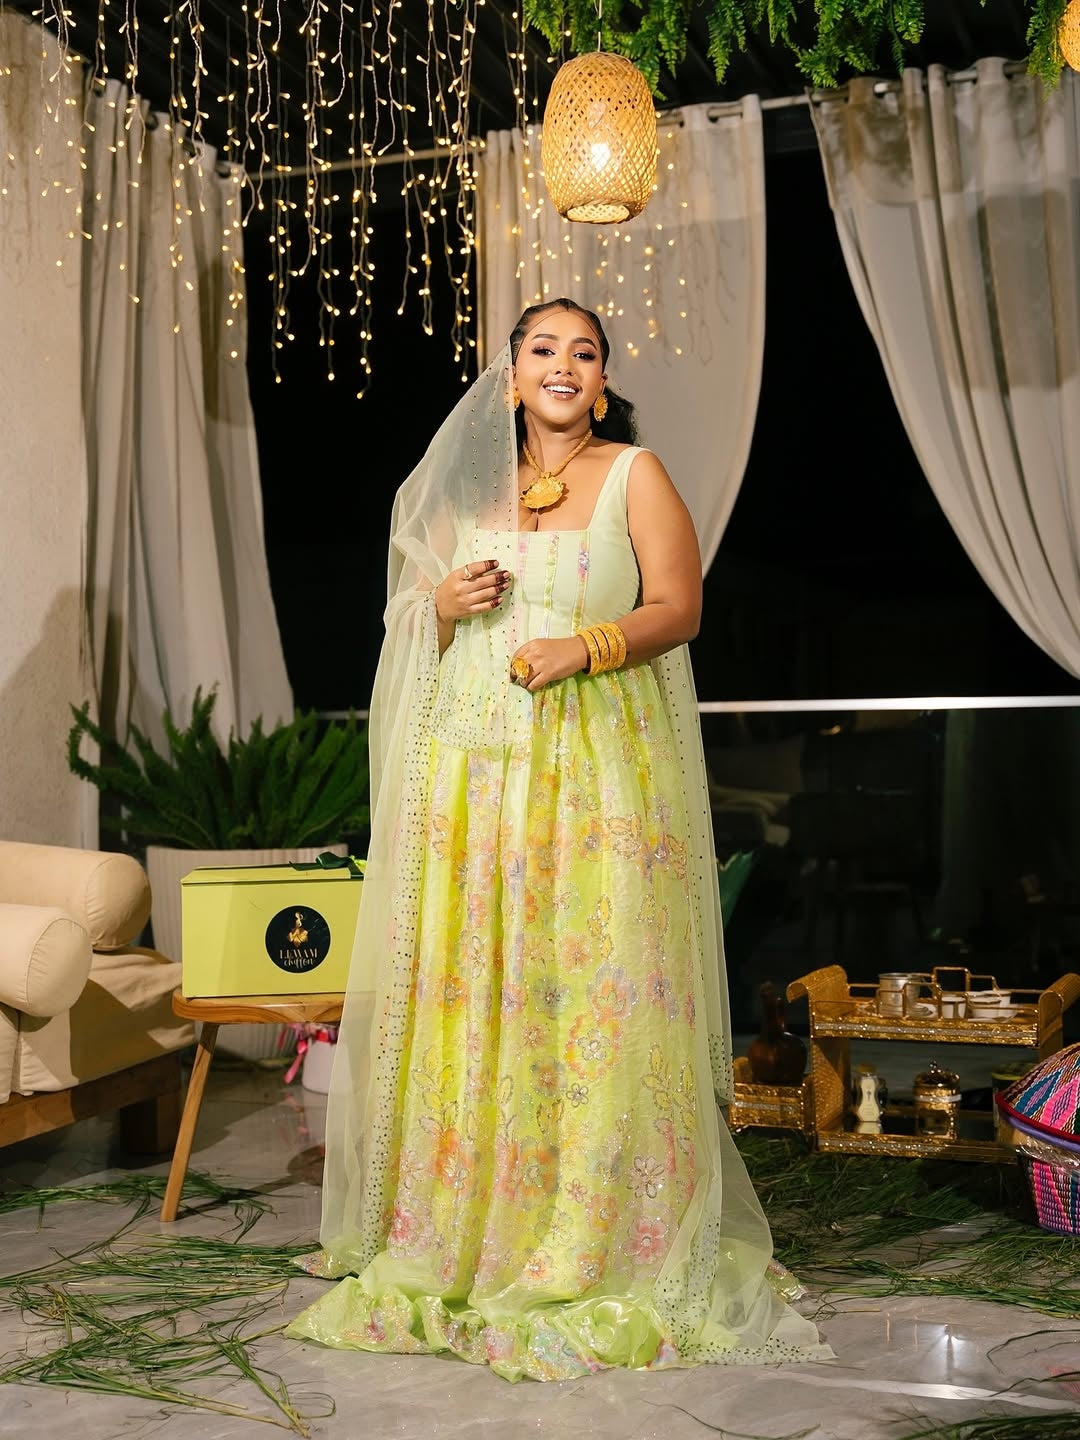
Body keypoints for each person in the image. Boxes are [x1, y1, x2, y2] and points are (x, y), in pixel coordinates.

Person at [286, 299, 828, 1380]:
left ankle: (599, 1231)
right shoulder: (466, 494)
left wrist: (585, 646)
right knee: (479, 992)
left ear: (604, 380)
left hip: (593, 775)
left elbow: (679, 608)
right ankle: (466, 1226)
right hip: (474, 780)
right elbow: (410, 620)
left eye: (584, 352)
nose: (564, 365)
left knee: (594, 987)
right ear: (511, 376)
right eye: (543, 349)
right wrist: (444, 603)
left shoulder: (635, 474)